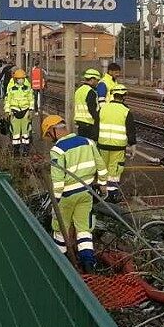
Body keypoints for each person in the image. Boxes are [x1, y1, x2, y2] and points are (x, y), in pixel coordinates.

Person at [42, 115, 107, 273]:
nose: (50, 139)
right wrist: (103, 185)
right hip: (86, 193)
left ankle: (61, 264)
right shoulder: (88, 142)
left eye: (48, 135)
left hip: (66, 197)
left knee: (60, 229)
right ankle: (88, 265)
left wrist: (54, 201)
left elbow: (57, 180)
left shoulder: (57, 150)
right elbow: (101, 165)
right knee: (84, 229)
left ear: (53, 131)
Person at [96, 85, 137, 203]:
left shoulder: (103, 108)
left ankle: (100, 192)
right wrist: (133, 145)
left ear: (113, 95)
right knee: (114, 170)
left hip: (102, 144)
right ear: (124, 97)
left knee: (102, 168)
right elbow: (131, 130)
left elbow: (96, 126)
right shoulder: (126, 111)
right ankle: (112, 195)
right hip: (118, 147)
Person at [4, 68, 35, 156]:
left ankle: (25, 150)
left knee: (26, 133)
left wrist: (31, 110)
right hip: (14, 112)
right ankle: (16, 150)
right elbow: (7, 101)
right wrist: (7, 111)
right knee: (15, 133)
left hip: (25, 111)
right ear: (16, 79)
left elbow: (31, 100)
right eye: (19, 78)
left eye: (22, 78)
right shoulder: (11, 89)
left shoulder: (27, 88)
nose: (21, 80)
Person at [73, 68, 102, 142]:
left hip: (80, 122)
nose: (97, 83)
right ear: (92, 79)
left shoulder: (79, 90)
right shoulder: (91, 92)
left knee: (82, 144)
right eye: (97, 80)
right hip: (89, 123)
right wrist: (98, 120)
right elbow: (92, 109)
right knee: (90, 145)